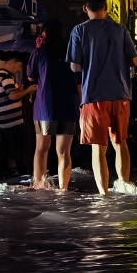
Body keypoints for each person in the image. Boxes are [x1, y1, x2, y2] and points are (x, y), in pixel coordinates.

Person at [67, 0, 137, 196]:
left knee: (98, 147)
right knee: (120, 142)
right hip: (121, 94)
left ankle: (103, 194)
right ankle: (125, 186)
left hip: (93, 95)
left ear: (84, 8)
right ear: (106, 8)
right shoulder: (120, 29)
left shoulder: (79, 31)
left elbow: (74, 67)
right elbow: (135, 60)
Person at [27, 20, 80, 190]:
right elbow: (78, 77)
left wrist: (37, 49)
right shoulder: (70, 52)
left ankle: (39, 184)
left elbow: (30, 76)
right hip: (68, 105)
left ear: (44, 33)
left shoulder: (40, 51)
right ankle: (63, 189)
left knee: (42, 149)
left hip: (46, 106)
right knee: (64, 152)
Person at [0, 54, 36, 179]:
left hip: (0, 120)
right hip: (13, 121)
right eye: (19, 66)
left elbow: (4, 95)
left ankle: (1, 174)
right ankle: (25, 175)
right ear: (11, 63)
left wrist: (16, 90)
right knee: (19, 150)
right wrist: (27, 91)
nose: (20, 69)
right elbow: (12, 96)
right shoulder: (6, 77)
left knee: (2, 151)